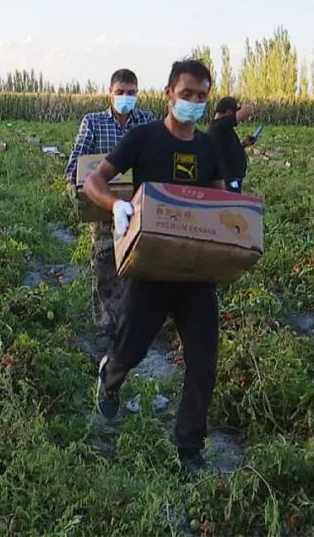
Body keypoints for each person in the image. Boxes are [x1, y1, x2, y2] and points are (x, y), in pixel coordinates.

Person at [83, 59, 224, 473]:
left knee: (203, 363)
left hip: (196, 275)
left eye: (202, 96)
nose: (194, 103)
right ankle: (110, 379)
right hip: (150, 271)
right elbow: (95, 181)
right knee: (131, 348)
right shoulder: (144, 138)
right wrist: (118, 205)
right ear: (168, 94)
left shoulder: (209, 147)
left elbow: (220, 203)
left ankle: (189, 449)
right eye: (187, 94)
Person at [65, 69, 155, 331]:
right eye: (120, 92)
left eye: (131, 93)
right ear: (110, 93)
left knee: (138, 261)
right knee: (105, 260)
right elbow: (77, 162)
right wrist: (76, 185)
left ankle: (134, 319)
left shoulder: (147, 121)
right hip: (103, 205)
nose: (125, 98)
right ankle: (106, 322)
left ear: (138, 94)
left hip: (138, 204)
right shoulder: (93, 122)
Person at [206, 97, 256, 193]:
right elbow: (247, 110)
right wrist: (241, 107)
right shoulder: (219, 126)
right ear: (229, 112)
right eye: (235, 111)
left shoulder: (222, 127)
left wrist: (244, 144)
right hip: (228, 180)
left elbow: (226, 151)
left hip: (232, 178)